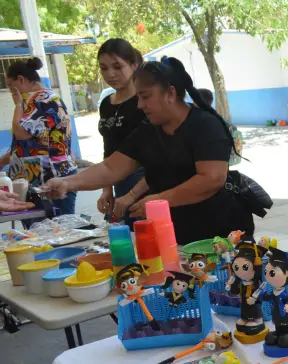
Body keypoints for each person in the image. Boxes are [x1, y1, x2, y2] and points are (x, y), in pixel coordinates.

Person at [41, 57, 254, 245]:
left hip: (220, 236)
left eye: (145, 96)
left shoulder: (205, 125)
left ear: (170, 93)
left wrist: (158, 201)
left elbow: (211, 179)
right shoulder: (147, 130)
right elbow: (110, 168)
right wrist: (68, 182)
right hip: (172, 235)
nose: (140, 105)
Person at [0, 57, 77, 218]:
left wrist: (17, 105)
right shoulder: (35, 101)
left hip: (50, 181)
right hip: (36, 180)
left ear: (20, 79)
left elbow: (20, 133)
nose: (10, 91)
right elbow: (27, 147)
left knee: (56, 234)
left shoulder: (43, 100)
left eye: (10, 85)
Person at [96, 38, 147, 227]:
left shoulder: (144, 102)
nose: (110, 74)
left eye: (118, 66)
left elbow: (160, 156)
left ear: (134, 65)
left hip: (146, 184)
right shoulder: (106, 104)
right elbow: (108, 149)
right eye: (104, 68)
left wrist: (133, 194)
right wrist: (106, 188)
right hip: (119, 185)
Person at [198, 88, 243, 166]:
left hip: (209, 165)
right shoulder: (219, 117)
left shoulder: (199, 119)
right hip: (224, 161)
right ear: (212, 101)